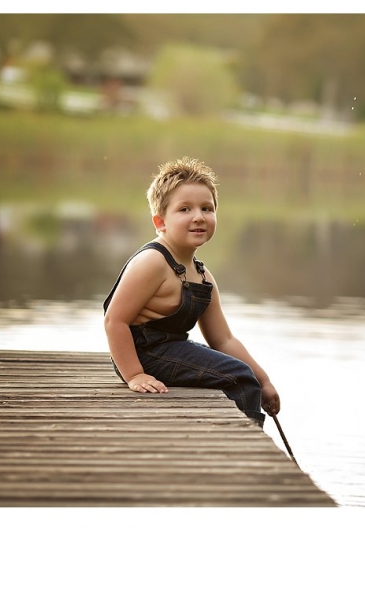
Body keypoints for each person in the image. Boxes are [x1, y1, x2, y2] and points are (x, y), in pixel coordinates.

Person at [103, 156, 279, 427]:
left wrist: (264, 380)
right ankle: (242, 445)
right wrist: (135, 375)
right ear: (160, 222)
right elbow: (115, 321)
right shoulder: (153, 262)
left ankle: (224, 433)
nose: (198, 216)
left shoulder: (202, 276)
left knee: (245, 375)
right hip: (140, 355)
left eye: (206, 208)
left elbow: (223, 340)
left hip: (171, 350)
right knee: (238, 378)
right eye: (184, 209)